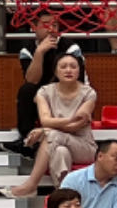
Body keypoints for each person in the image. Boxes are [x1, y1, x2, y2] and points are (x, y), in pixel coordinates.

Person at [7, 50, 95, 198]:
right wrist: (68, 120)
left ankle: (32, 184)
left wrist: (45, 131)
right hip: (57, 144)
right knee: (60, 151)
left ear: (79, 70)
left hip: (83, 147)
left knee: (52, 136)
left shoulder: (89, 93)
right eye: (63, 67)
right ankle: (64, 194)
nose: (68, 70)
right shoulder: (44, 92)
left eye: (73, 66)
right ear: (55, 70)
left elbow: (76, 126)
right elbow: (46, 120)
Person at [15, 11, 84, 155]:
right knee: (26, 90)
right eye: (46, 25)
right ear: (34, 27)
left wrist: (45, 94)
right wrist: (39, 52)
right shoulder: (27, 49)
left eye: (55, 25)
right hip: (41, 95)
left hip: (68, 93)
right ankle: (27, 138)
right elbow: (32, 80)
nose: (51, 29)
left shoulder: (71, 48)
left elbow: (74, 81)